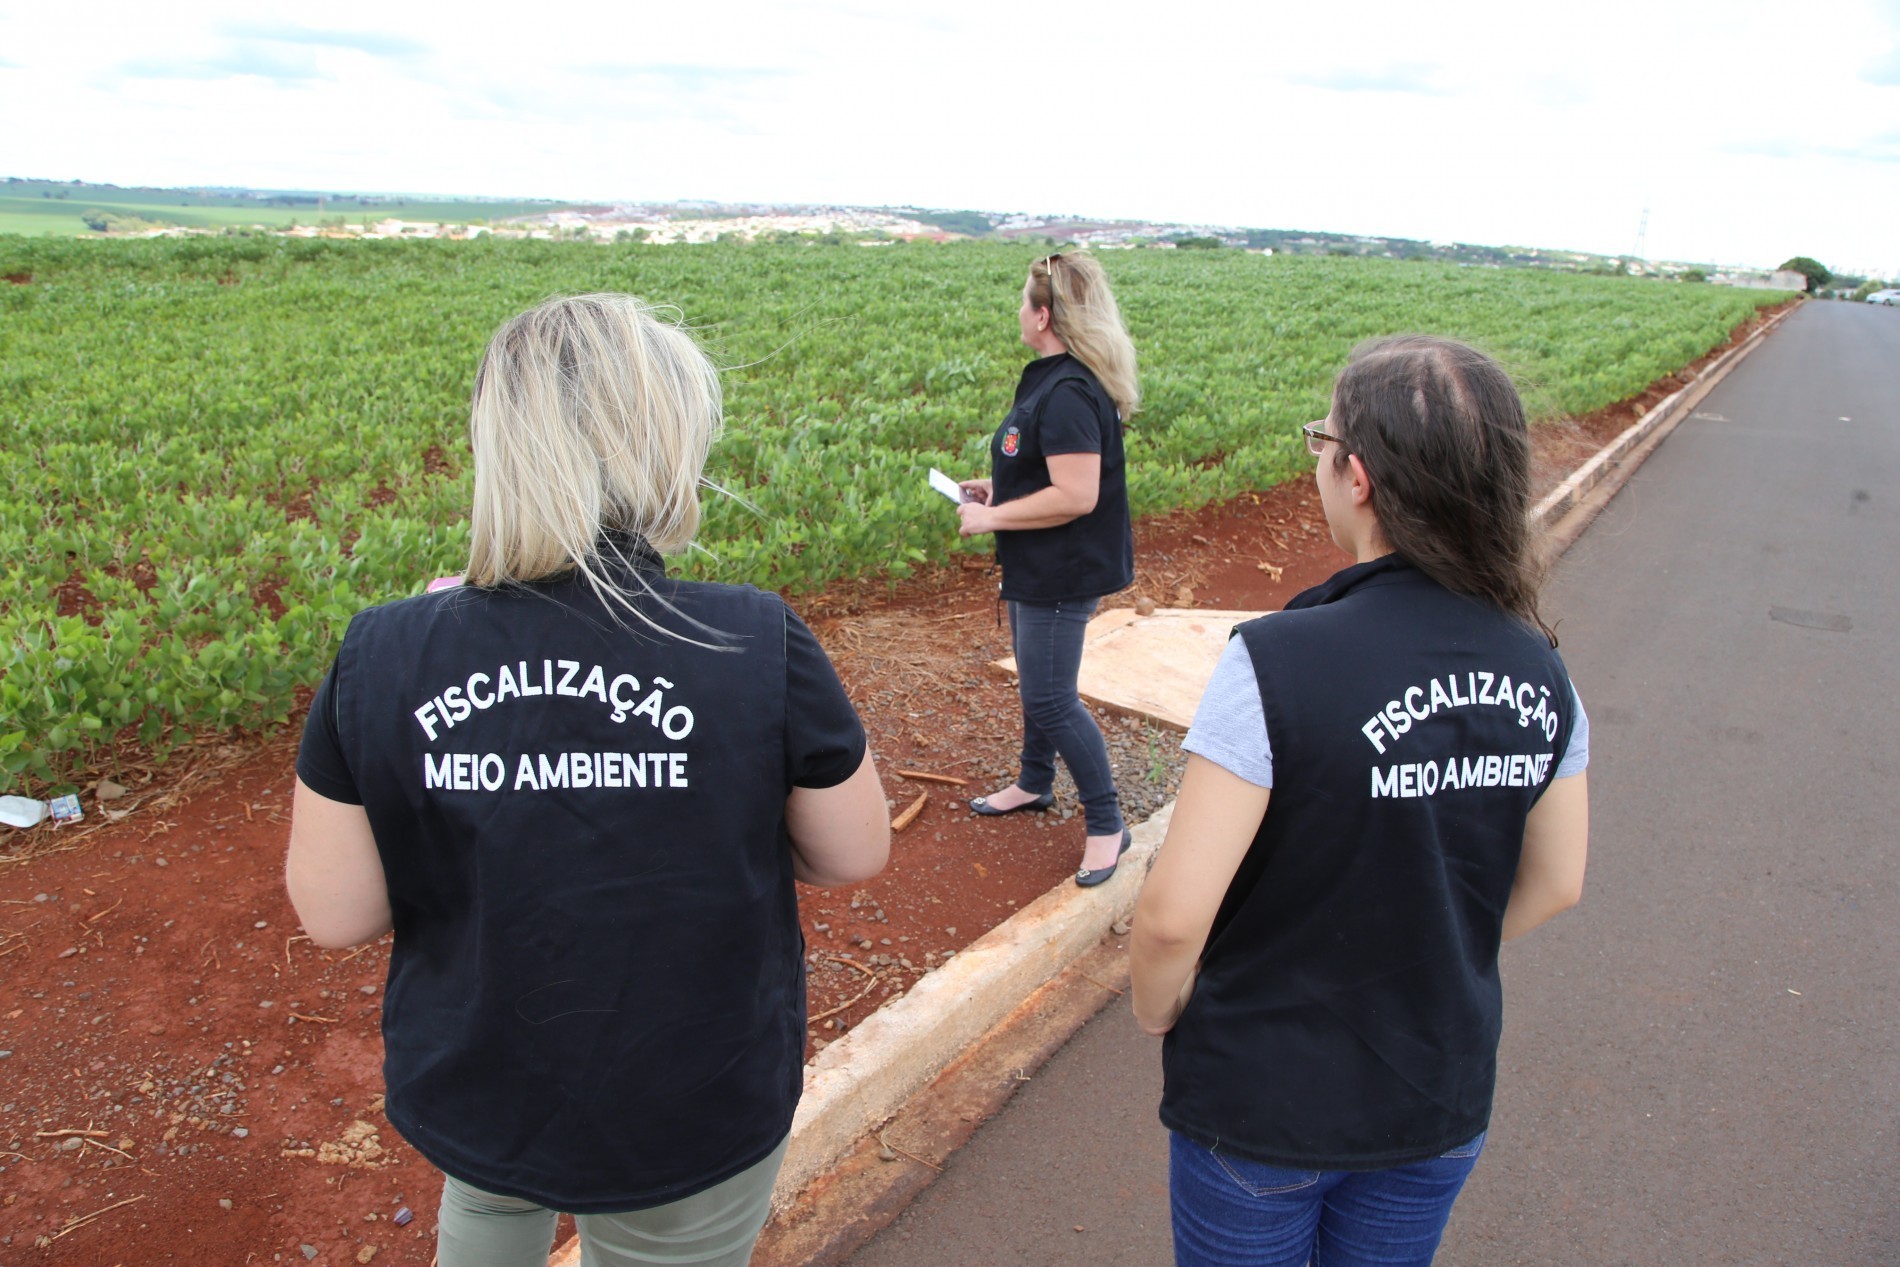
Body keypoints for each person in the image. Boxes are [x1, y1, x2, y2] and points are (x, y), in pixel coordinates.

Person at [285, 294, 891, 1267]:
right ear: (666, 442)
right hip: (688, 1101)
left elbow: (336, 912)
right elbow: (853, 850)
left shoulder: (385, 650)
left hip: (485, 1082)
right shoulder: (753, 638)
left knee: (486, 1209)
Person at [1129, 336, 1591, 1267]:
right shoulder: (1540, 663)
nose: (1318, 463)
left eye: (1321, 442)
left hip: (1263, 1102)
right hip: (1435, 1095)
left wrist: (1160, 1010)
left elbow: (1174, 917)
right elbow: (1559, 882)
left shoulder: (1277, 659)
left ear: (1362, 477)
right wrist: (1426, 943)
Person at [956, 251, 1140, 886]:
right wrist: (997, 486)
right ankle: (1035, 783)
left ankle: (1108, 823)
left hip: (1064, 570)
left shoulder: (1066, 391)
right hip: (1039, 562)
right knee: (1041, 683)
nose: (1017, 312)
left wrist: (993, 518)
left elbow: (1076, 495)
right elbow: (1048, 470)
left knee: (1051, 697)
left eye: (1021, 302)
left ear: (1042, 315)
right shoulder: (1048, 377)